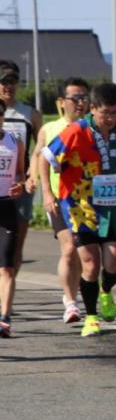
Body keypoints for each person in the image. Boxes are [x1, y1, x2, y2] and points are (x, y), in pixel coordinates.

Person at [44, 83, 116, 337]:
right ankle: (91, 317)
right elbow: (45, 157)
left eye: (114, 112)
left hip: (113, 206)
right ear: (93, 108)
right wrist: (46, 193)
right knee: (90, 263)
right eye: (105, 112)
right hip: (80, 207)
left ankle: (106, 290)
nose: (110, 118)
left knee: (114, 262)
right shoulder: (75, 131)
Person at [33, 78, 90, 323]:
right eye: (75, 98)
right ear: (61, 102)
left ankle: (80, 295)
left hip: (87, 200)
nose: (80, 103)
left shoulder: (93, 127)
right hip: (60, 199)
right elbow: (39, 156)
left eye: (84, 98)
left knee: (83, 253)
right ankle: (70, 302)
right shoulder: (50, 129)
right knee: (69, 249)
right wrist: (42, 188)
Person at [0, 60, 42, 284]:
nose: (9, 86)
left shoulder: (31, 114)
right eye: (4, 81)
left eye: (13, 81)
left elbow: (40, 150)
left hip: (20, 187)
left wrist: (32, 176)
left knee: (15, 246)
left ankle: (6, 292)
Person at [0, 115, 28, 336]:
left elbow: (21, 173)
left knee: (7, 266)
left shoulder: (15, 141)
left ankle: (5, 318)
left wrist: (20, 184)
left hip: (6, 207)